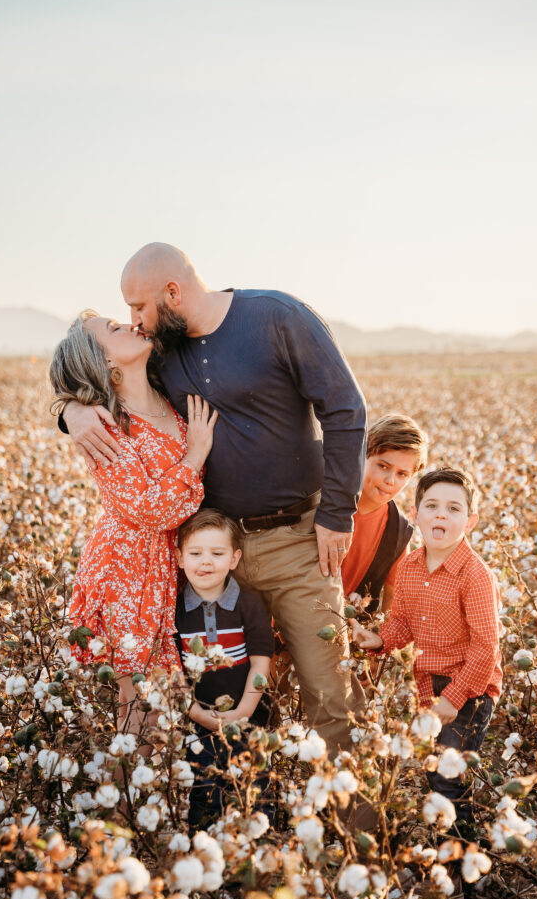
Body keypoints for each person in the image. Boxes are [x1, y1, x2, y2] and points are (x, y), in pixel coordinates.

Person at [60, 243, 368, 755]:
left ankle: (358, 826)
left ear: (173, 293)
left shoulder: (277, 317)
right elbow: (95, 369)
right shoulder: (160, 347)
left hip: (297, 543)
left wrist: (338, 511)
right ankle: (234, 819)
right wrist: (71, 410)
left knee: (328, 690)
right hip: (206, 554)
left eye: (139, 308)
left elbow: (345, 408)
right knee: (204, 695)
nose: (134, 321)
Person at [49, 308, 217, 737]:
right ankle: (122, 805)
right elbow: (148, 508)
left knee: (156, 709)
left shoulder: (164, 388)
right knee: (140, 708)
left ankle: (140, 803)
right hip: (125, 569)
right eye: (112, 329)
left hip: (161, 566)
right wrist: (195, 454)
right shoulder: (104, 424)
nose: (128, 323)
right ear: (105, 362)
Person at [350, 467, 502, 831]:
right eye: (432, 506)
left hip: (471, 689)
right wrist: (381, 639)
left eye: (453, 509)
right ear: (416, 515)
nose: (441, 515)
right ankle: (449, 859)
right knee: (435, 775)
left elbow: (486, 647)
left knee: (449, 779)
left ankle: (466, 870)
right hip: (428, 685)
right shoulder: (410, 567)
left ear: (470, 521)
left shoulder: (476, 575)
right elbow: (403, 621)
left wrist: (453, 697)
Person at [174, 508, 274, 828]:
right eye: (196, 553)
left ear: (234, 558)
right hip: (197, 720)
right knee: (203, 791)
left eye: (217, 553)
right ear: (179, 558)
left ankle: (258, 849)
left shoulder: (249, 603)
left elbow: (260, 661)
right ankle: (209, 854)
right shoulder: (174, 610)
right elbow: (172, 670)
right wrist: (196, 713)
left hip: (250, 715)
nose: (206, 562)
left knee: (253, 787)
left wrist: (243, 711)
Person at [341, 413, 428, 615]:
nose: (390, 480)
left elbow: (392, 609)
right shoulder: (324, 498)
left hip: (339, 637)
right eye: (383, 466)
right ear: (364, 455)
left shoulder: (397, 534)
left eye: (402, 474)